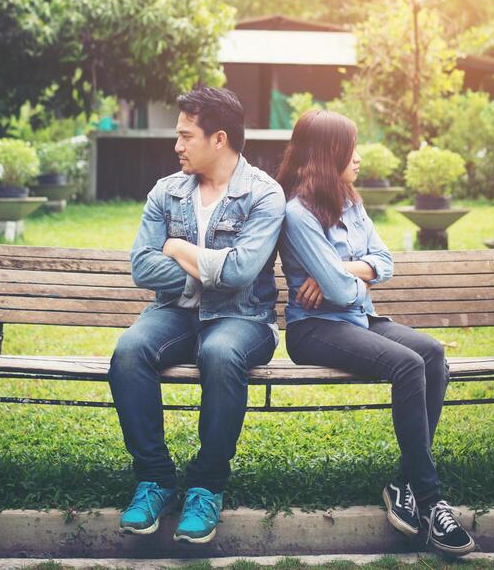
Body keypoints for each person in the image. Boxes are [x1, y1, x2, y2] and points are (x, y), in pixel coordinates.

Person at [277, 110, 475, 556]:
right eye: (352, 147)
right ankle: (429, 501)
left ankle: (402, 483)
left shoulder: (350, 201)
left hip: (358, 317)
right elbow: (340, 295)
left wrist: (342, 268)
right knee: (406, 365)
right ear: (330, 154)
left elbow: (384, 260)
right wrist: (344, 278)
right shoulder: (297, 214)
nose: (360, 157)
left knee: (431, 353)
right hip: (314, 329)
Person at [109, 85, 285, 544]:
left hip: (244, 320)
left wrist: (179, 247)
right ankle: (155, 479)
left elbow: (243, 272)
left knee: (222, 353)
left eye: (187, 135)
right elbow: (141, 266)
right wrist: (203, 274)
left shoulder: (264, 195)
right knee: (129, 350)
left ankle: (206, 485)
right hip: (174, 313)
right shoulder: (167, 192)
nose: (177, 145)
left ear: (219, 139)